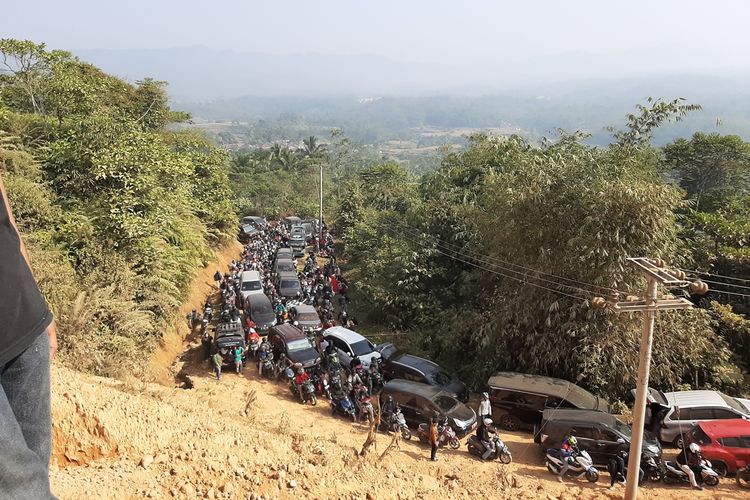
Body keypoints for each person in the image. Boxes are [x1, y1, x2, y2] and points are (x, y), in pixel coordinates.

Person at [1, 173, 57, 498]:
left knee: (37, 470)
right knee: (26, 489)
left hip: (23, 324)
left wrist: (36, 297)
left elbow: (6, 220)